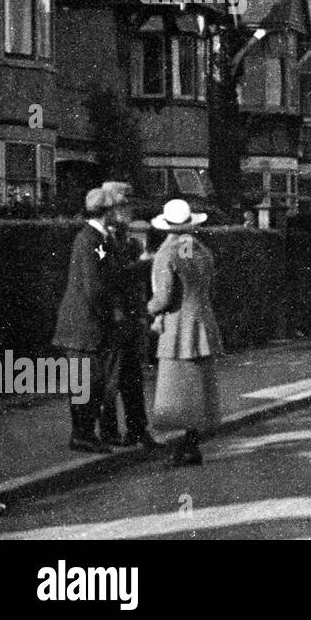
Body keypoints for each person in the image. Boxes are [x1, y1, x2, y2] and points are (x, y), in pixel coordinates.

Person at [147, 199, 222, 467]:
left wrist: (148, 308)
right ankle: (191, 444)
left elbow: (164, 297)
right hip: (202, 324)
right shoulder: (202, 251)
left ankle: (181, 449)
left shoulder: (167, 253)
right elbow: (210, 291)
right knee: (196, 389)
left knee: (175, 391)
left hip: (178, 329)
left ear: (166, 226)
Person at [51, 186, 121, 453]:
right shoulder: (90, 239)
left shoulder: (99, 238)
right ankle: (82, 435)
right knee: (86, 383)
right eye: (115, 208)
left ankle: (86, 433)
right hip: (83, 325)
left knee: (92, 382)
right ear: (108, 211)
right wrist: (111, 316)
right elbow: (94, 288)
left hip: (88, 324)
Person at [99, 182, 158, 448]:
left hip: (132, 318)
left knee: (133, 378)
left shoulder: (129, 241)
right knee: (110, 380)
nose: (129, 210)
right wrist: (143, 265)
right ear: (110, 208)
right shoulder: (101, 241)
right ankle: (109, 432)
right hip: (113, 320)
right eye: (124, 205)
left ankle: (137, 430)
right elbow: (108, 279)